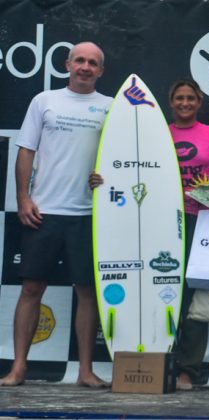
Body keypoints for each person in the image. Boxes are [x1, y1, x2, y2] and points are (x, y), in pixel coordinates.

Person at [90, 79, 209, 390]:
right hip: (156, 223)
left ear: (199, 102)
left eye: (190, 98)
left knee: (193, 298)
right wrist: (101, 180)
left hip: (200, 222)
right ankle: (149, 360)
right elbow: (128, 168)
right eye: (179, 98)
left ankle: (188, 370)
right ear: (170, 103)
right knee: (155, 289)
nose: (185, 103)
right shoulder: (156, 132)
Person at [0, 42, 111, 387]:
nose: (85, 67)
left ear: (100, 71)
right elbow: (26, 151)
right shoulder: (43, 101)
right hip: (43, 212)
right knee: (31, 289)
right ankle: (19, 368)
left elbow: (121, 159)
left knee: (88, 292)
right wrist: (23, 198)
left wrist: (105, 176)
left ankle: (85, 371)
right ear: (67, 64)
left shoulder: (112, 108)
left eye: (93, 63)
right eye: (80, 60)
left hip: (89, 215)